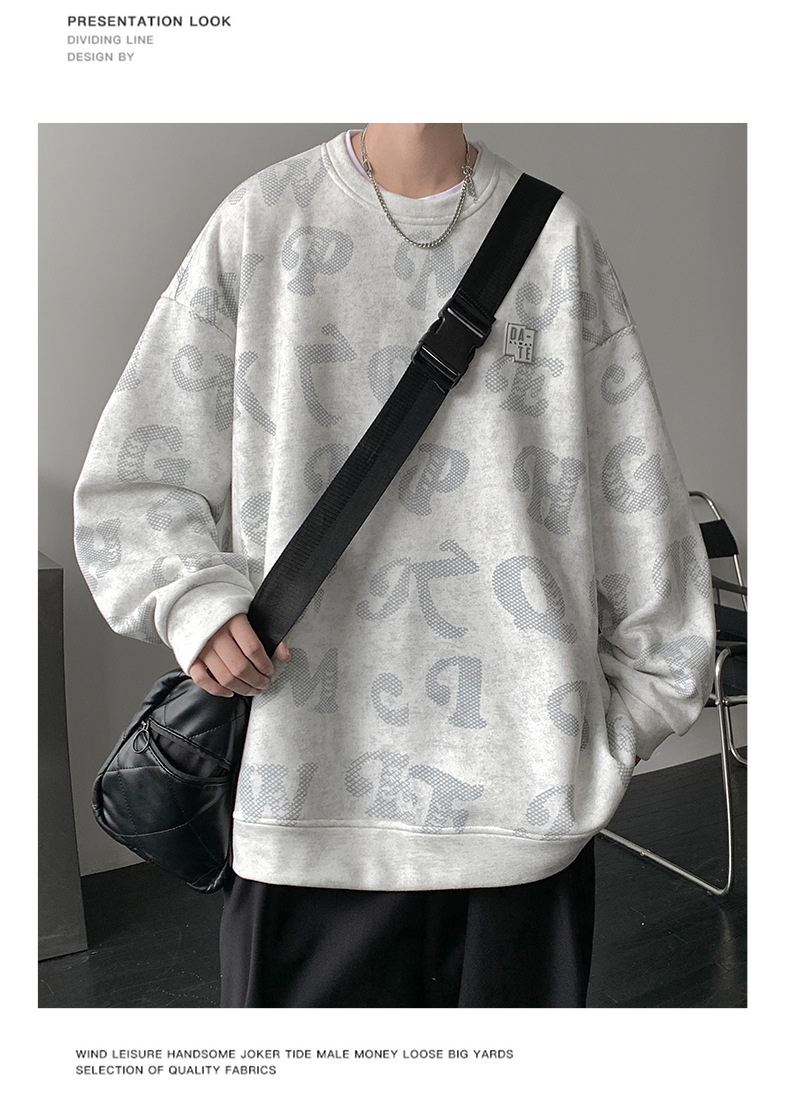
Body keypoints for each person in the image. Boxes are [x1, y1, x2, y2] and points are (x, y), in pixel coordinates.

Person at [74, 124, 716, 1008]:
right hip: (302, 806)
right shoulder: (263, 220)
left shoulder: (555, 238)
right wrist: (193, 601)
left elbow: (634, 502)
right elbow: (135, 478)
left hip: (523, 816)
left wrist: (611, 733)